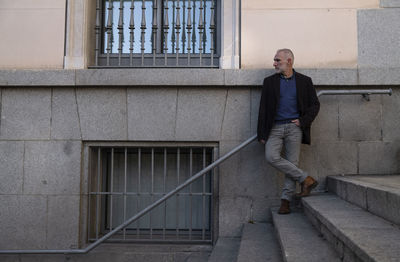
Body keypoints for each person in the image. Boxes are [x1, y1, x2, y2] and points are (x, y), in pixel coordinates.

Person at [257, 48, 320, 215]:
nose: (274, 63)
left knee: (292, 163)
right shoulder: (269, 82)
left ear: (289, 61)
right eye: (275, 60)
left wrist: (303, 121)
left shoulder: (304, 81)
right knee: (271, 156)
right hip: (275, 127)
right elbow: (263, 108)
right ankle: (306, 179)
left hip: (294, 127)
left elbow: (315, 105)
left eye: (278, 60)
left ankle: (285, 201)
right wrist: (262, 133)